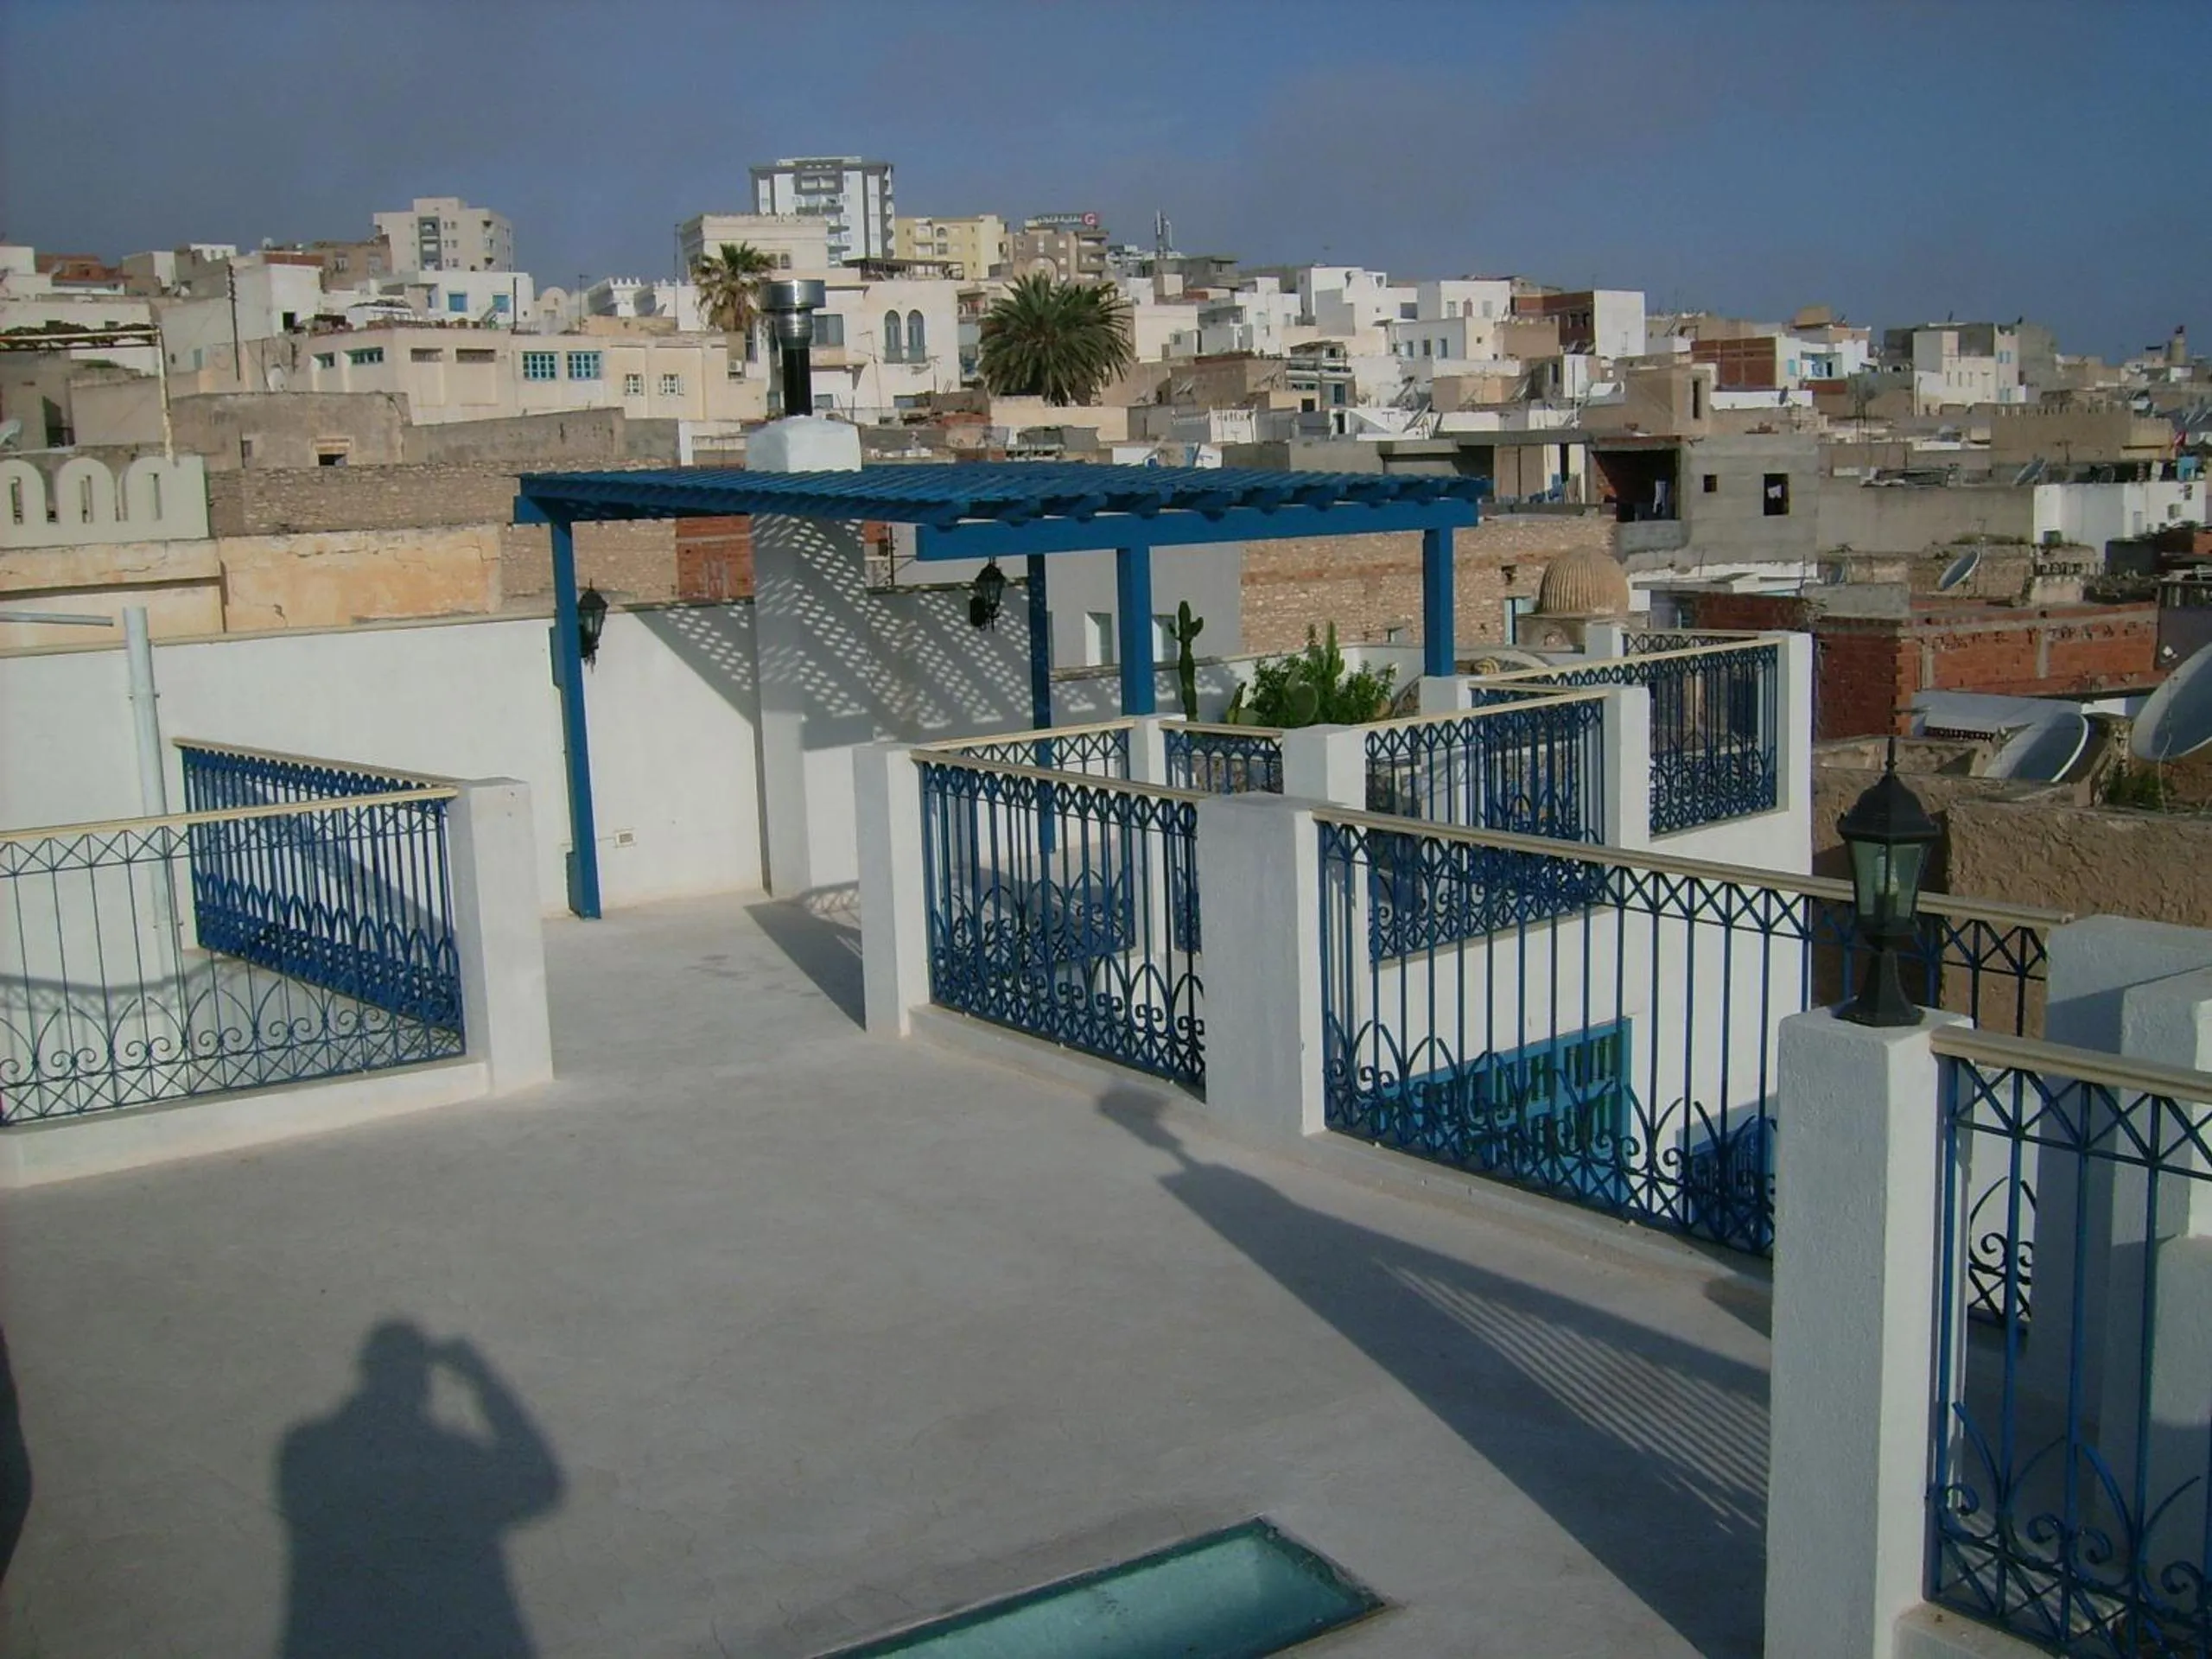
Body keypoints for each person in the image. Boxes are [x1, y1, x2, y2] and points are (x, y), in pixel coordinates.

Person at [276, 1322, 563, 1658]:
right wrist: (484, 1383)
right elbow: (539, 1481)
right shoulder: (451, 1466)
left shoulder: (311, 1453)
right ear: (424, 1383)